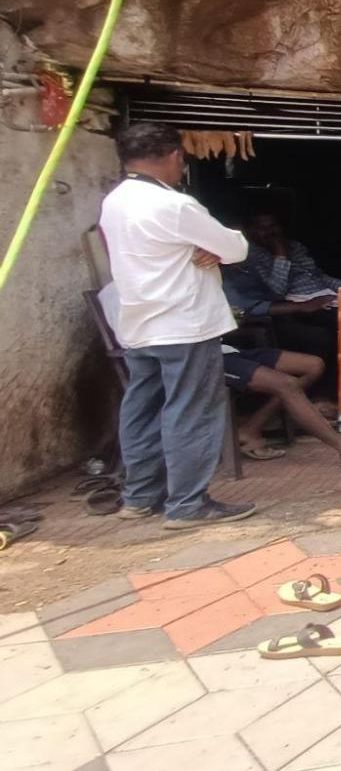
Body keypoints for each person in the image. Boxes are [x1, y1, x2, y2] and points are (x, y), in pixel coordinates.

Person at [98, 122, 256, 529]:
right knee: (190, 411)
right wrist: (211, 248)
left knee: (141, 409)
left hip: (138, 323)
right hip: (184, 324)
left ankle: (140, 497)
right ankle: (187, 504)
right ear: (173, 157)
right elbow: (235, 247)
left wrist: (205, 248)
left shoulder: (114, 201)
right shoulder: (174, 205)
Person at [225, 347, 341, 470]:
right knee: (286, 384)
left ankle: (251, 428)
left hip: (224, 348)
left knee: (313, 365)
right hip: (205, 356)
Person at [223, 204, 341, 369]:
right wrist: (280, 254)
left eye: (273, 226)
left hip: (325, 297)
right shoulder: (252, 256)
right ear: (251, 231)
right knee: (337, 325)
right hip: (292, 306)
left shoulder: (296, 247)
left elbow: (316, 276)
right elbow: (275, 293)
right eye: (261, 228)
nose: (269, 232)